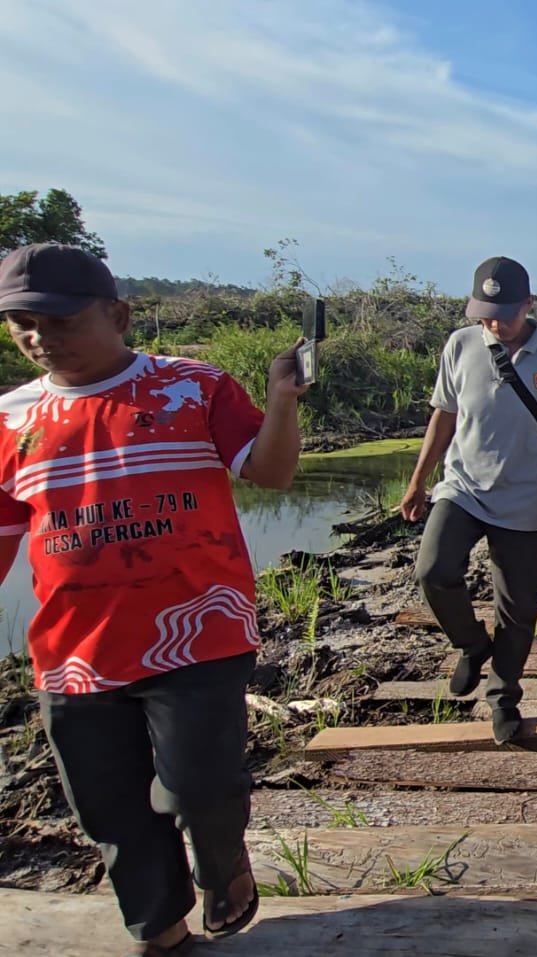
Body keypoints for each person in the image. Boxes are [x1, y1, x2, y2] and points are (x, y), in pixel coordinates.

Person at [0, 243, 309, 953]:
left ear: (118, 314)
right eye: (22, 323)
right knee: (108, 808)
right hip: (74, 651)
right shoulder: (11, 419)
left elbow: (269, 473)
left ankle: (222, 864)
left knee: (199, 786)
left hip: (197, 631)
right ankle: (160, 928)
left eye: (60, 320)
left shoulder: (193, 386)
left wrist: (282, 402)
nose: (40, 337)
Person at [404, 256, 537, 745]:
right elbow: (443, 415)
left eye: (503, 314)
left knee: (518, 607)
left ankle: (503, 696)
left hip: (525, 497)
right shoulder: (460, 344)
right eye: (485, 314)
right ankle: (471, 644)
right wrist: (419, 480)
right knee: (433, 570)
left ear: (527, 305)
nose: (494, 324)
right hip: (463, 487)